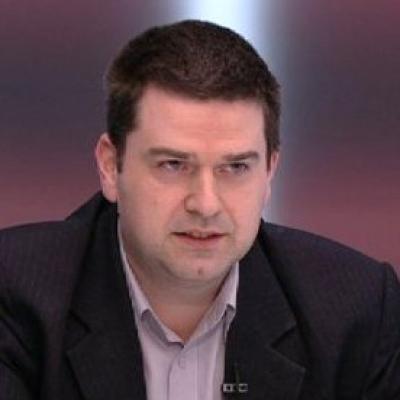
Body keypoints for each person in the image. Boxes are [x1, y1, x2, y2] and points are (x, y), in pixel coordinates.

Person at [0, 19, 399, 400]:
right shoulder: (15, 295)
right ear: (110, 166)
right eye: (173, 165)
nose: (206, 204)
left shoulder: (356, 312)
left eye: (235, 168)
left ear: (270, 171)